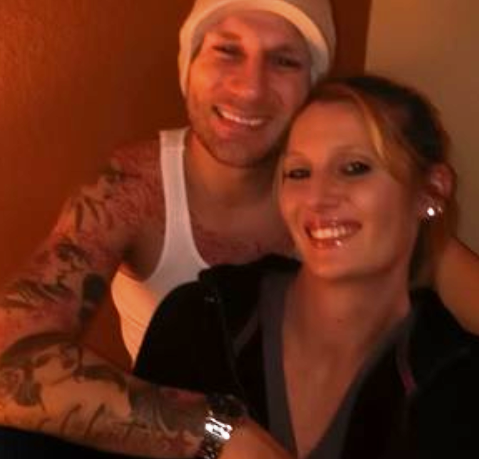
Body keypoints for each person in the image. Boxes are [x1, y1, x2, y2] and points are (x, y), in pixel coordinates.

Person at [0, 0, 479, 457]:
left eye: (285, 61)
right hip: (175, 430)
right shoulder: (134, 190)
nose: (249, 87)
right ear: (189, 65)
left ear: (312, 88)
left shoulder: (345, 206)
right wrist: (217, 433)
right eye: (227, 50)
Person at [134, 75, 479, 458]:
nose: (317, 198)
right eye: (298, 173)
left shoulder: (455, 379)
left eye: (354, 168)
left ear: (432, 190)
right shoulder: (202, 321)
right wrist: (217, 433)